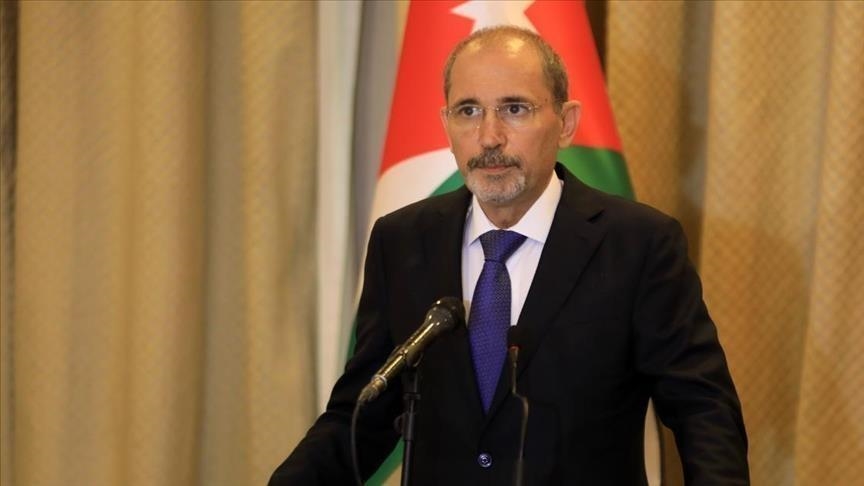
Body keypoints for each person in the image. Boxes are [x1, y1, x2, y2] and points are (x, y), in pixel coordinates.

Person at [270, 26, 749, 485]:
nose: (489, 136)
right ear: (445, 125)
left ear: (566, 123)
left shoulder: (638, 243)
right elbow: (362, 415)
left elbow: (702, 409)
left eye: (514, 109)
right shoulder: (402, 241)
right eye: (468, 111)